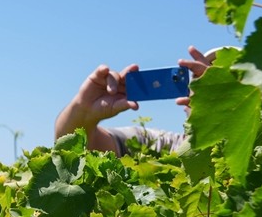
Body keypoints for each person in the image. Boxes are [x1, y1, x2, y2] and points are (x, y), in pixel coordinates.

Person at [54, 45, 215, 155]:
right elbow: (75, 147)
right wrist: (84, 111)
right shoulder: (157, 145)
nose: (214, 88)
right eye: (202, 78)